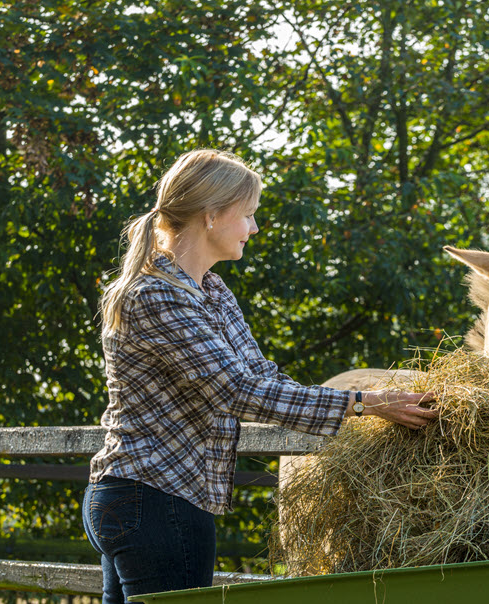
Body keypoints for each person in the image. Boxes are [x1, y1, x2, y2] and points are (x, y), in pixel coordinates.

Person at [82, 149, 437, 603]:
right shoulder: (156, 295)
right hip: (154, 500)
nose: (254, 228)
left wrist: (364, 400)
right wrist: (365, 406)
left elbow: (261, 375)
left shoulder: (210, 289)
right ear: (211, 216)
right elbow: (237, 390)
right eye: (248, 215)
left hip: (149, 499)